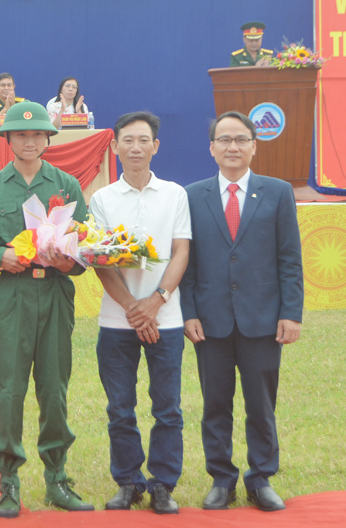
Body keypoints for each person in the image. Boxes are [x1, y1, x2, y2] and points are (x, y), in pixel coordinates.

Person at [0, 101, 93, 518]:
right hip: (13, 295)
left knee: (54, 388)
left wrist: (67, 260)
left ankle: (56, 477)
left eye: (37, 134)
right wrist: (0, 254)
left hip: (54, 293)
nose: (30, 141)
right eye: (21, 135)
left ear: (48, 138)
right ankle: (8, 481)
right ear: (8, 139)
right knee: (9, 389)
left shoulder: (67, 185)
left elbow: (85, 249)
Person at [180, 111, 303, 512]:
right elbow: (187, 260)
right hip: (210, 320)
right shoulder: (192, 195)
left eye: (241, 139)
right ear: (211, 147)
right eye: (224, 140)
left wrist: (291, 313)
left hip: (264, 318)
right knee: (215, 403)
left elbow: (289, 259)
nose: (233, 147)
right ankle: (221, 479)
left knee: (261, 404)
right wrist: (189, 311)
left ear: (254, 145)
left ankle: (261, 477)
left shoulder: (279, 192)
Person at [89, 112, 191, 515]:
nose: (135, 147)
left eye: (143, 140)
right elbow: (99, 261)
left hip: (165, 318)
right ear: (114, 147)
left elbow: (181, 250)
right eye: (127, 140)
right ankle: (128, 481)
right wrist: (134, 308)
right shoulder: (102, 199)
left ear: (156, 146)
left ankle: (163, 483)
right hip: (117, 321)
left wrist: (156, 301)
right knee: (120, 407)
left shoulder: (174, 194)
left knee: (167, 406)